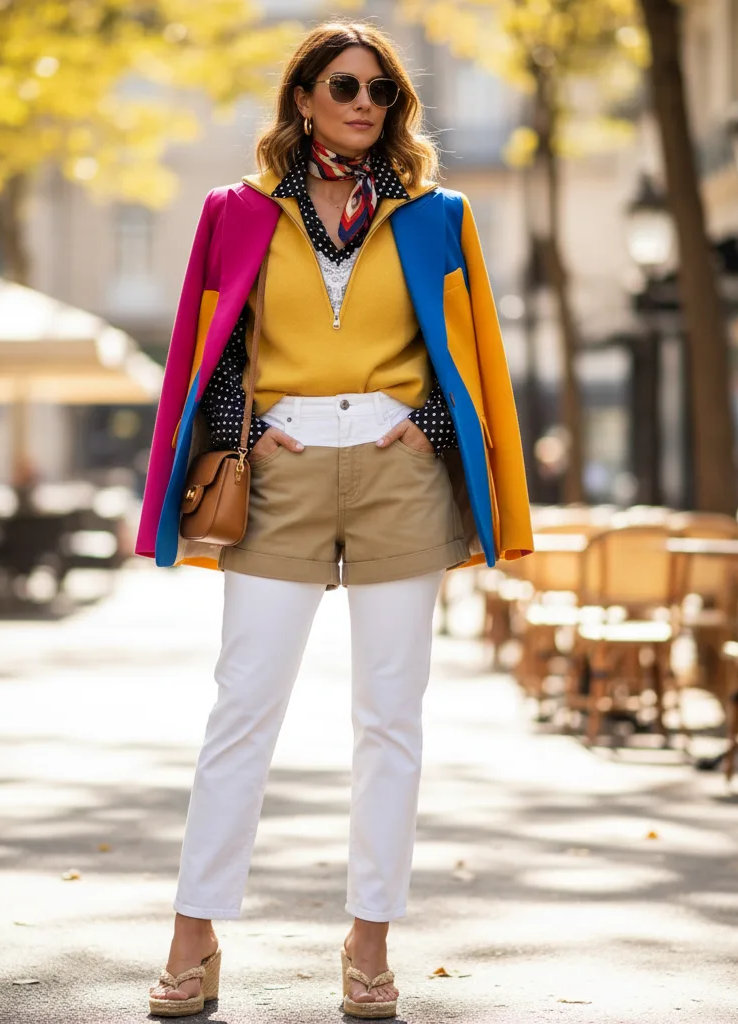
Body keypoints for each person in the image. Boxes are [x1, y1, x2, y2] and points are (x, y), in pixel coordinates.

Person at [136, 20, 533, 1019]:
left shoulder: (438, 213)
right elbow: (208, 344)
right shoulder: (236, 212)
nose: (365, 103)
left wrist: (431, 422)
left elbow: (470, 343)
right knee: (243, 706)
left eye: (382, 92)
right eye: (345, 85)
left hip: (400, 474)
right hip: (282, 473)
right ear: (304, 97)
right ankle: (193, 935)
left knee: (389, 718)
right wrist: (244, 428)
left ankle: (368, 943)